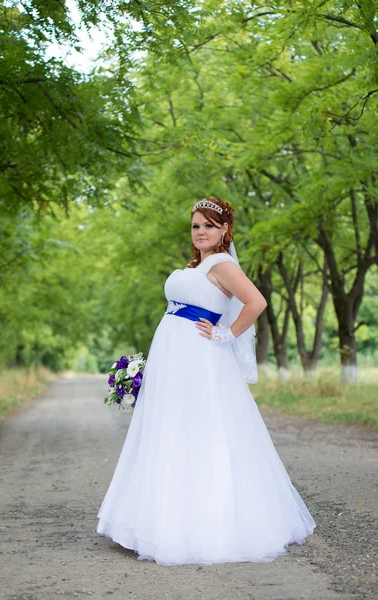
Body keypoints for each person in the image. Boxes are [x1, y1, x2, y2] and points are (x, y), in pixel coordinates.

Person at [96, 196, 316, 566]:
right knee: (169, 430)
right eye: (196, 226)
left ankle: (198, 528)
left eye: (209, 226)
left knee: (200, 430)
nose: (200, 232)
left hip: (200, 360)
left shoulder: (222, 264)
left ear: (225, 230)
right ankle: (149, 523)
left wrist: (224, 334)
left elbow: (256, 302)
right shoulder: (195, 266)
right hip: (174, 359)